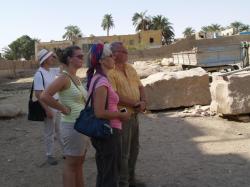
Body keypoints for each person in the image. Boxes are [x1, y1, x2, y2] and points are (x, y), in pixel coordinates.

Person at [40, 46, 89, 187]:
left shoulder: (76, 78)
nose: (82, 58)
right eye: (79, 56)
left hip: (81, 126)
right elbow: (44, 95)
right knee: (71, 165)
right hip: (72, 127)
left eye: (82, 56)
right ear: (69, 59)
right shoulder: (64, 78)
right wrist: (62, 108)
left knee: (78, 164)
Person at [87, 43, 130, 187]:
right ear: (101, 60)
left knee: (105, 172)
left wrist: (122, 112)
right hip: (108, 132)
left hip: (108, 131)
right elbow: (99, 112)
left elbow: (109, 105)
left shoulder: (99, 78)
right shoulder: (101, 81)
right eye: (111, 56)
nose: (114, 58)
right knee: (110, 175)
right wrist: (121, 114)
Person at [108, 42, 146, 187]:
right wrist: (134, 104)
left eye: (126, 51)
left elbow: (140, 86)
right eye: (122, 51)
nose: (126, 53)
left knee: (134, 149)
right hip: (122, 114)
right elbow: (115, 95)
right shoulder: (110, 72)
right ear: (113, 54)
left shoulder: (130, 68)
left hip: (135, 114)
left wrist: (143, 101)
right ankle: (123, 182)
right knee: (123, 152)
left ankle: (131, 179)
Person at [33, 48, 63, 165]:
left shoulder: (51, 70)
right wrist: (47, 109)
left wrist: (55, 56)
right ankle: (49, 155)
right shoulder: (39, 74)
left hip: (56, 103)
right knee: (49, 132)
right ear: (45, 60)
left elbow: (63, 67)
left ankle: (65, 152)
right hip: (49, 106)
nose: (52, 59)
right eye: (50, 57)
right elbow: (38, 94)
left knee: (60, 130)